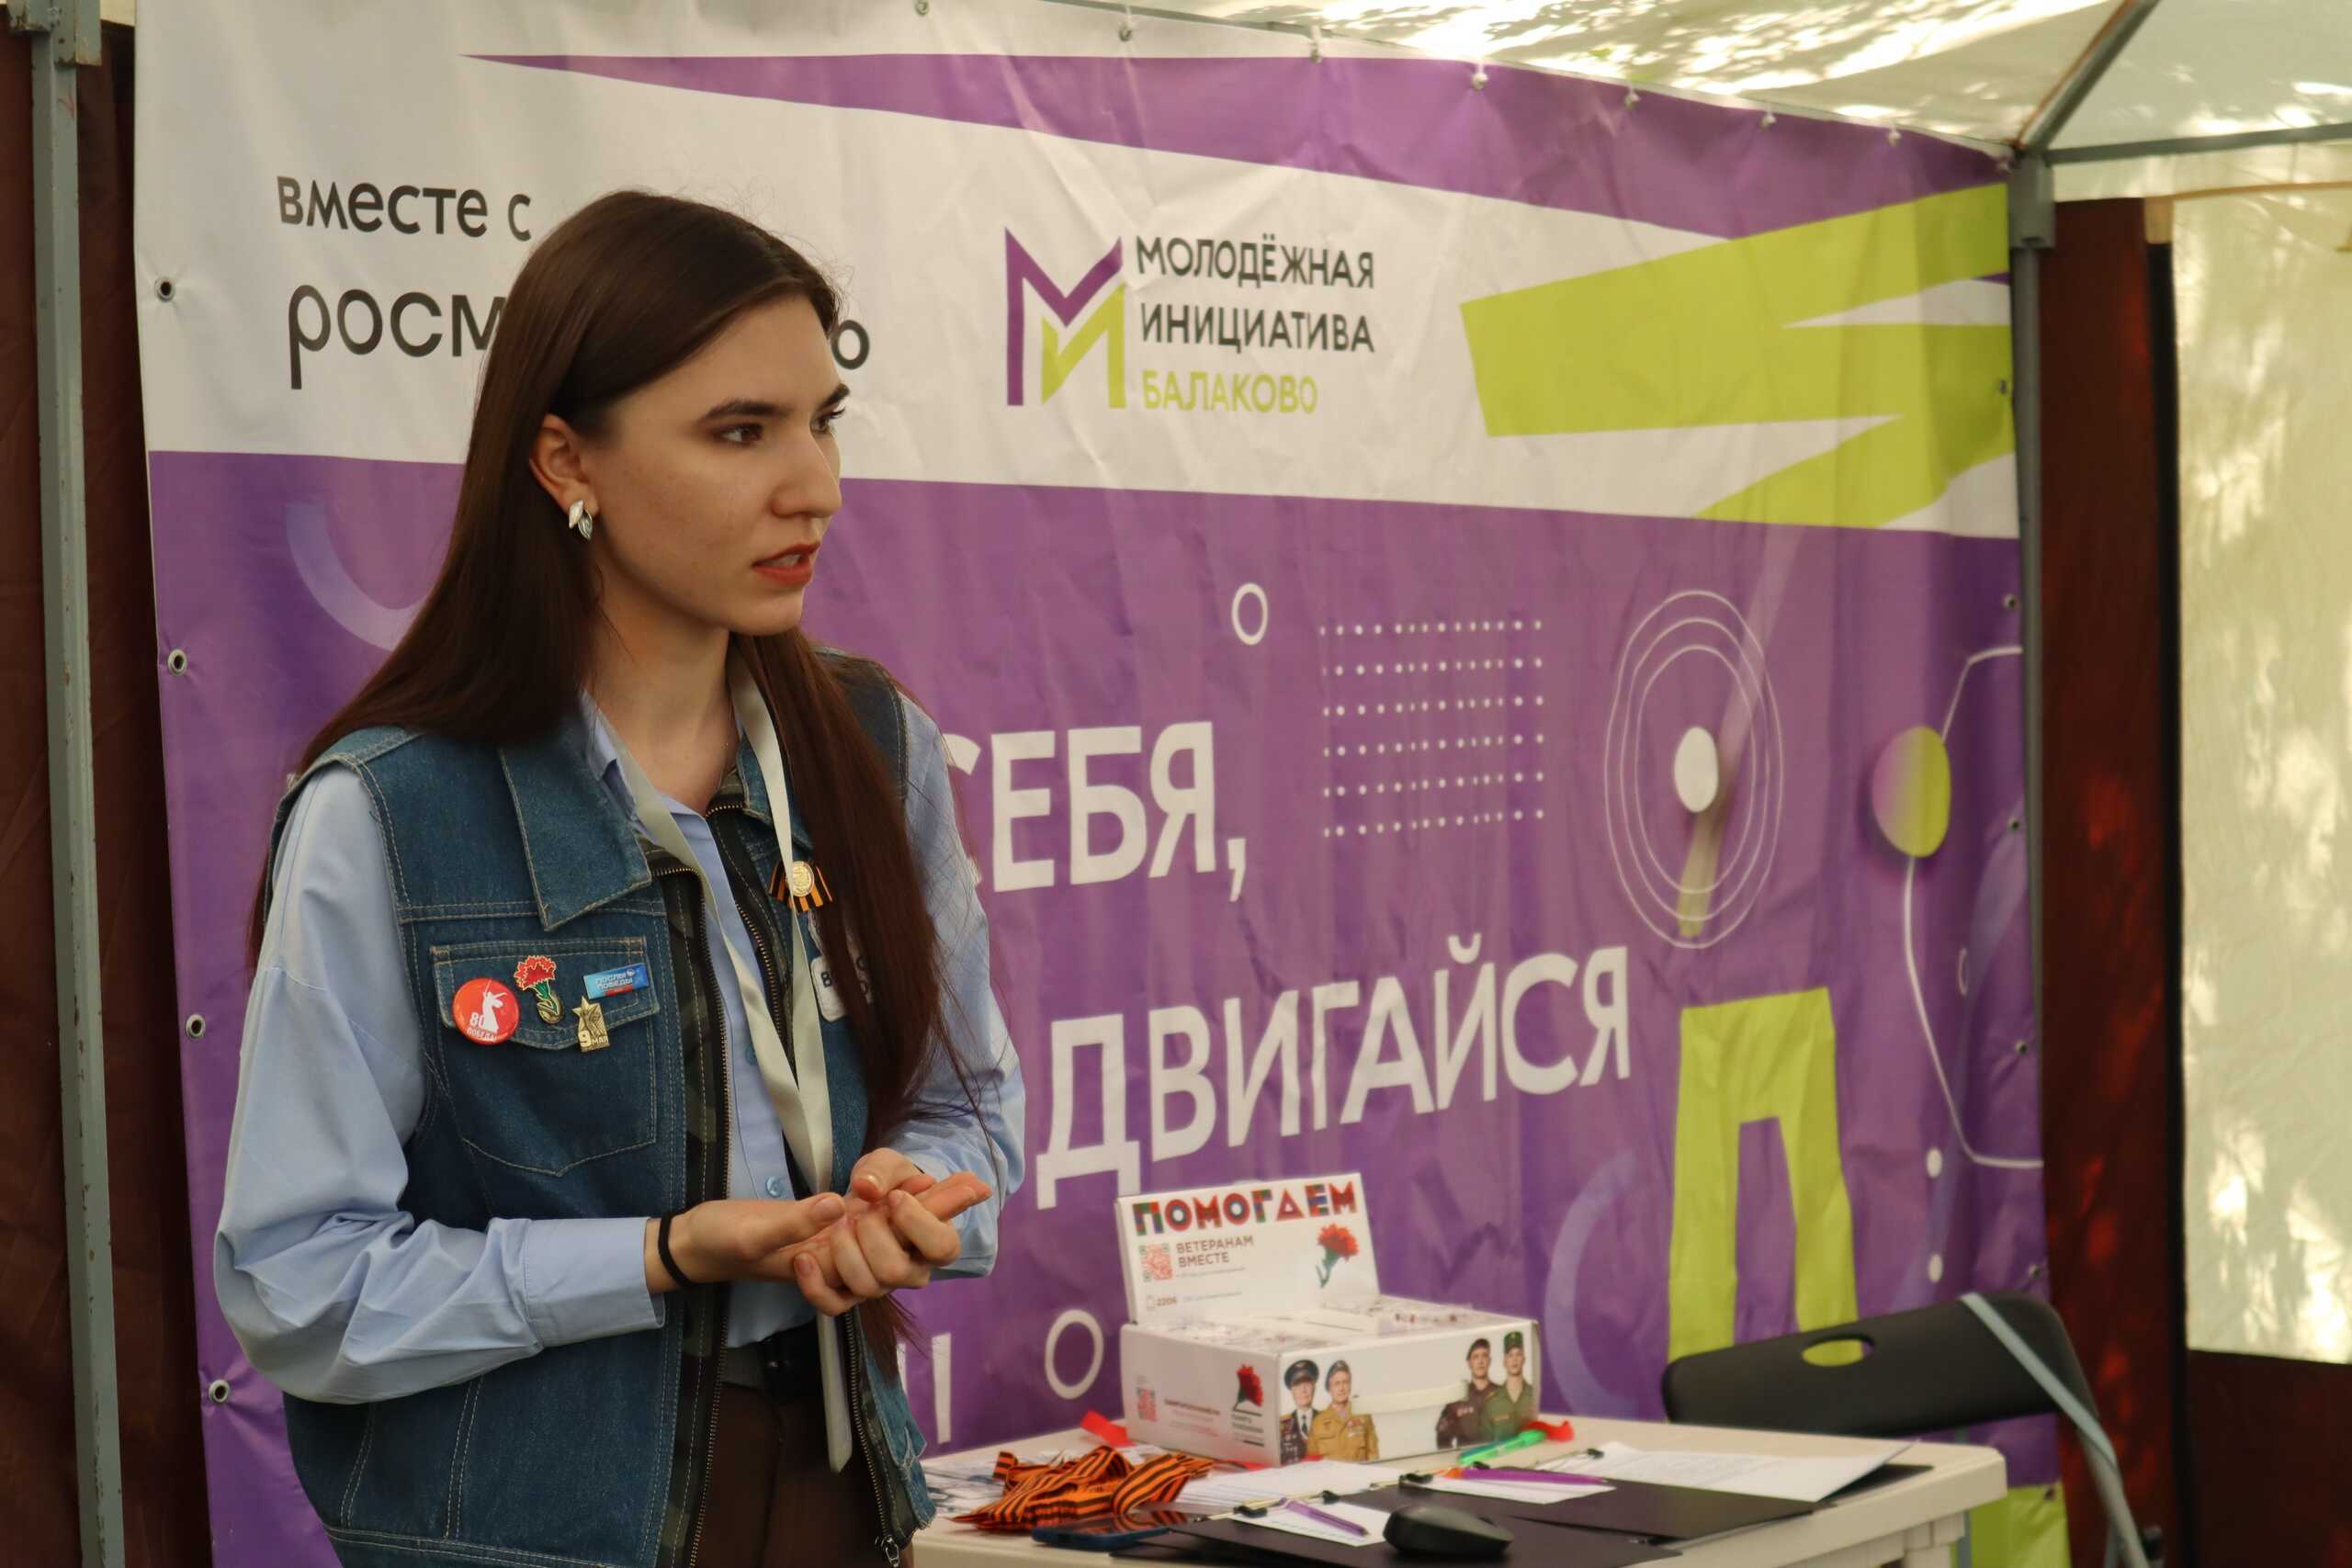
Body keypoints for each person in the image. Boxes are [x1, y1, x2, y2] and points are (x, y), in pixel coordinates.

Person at [212, 191, 1026, 1568]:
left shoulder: (874, 747)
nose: (815, 487)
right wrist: (660, 1252)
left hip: (837, 1495)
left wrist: (910, 1196)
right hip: (534, 1532)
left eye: (822, 420)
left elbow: (969, 1110)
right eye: (740, 431)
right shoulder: (392, 812)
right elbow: (300, 1282)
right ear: (563, 459)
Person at [1307, 1360, 1380, 1461]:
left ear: (1350, 1385)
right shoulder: (1317, 1423)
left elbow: (1373, 1456)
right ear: (1329, 1388)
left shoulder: (1363, 1416)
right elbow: (1312, 1463)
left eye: (1345, 1382)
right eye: (1337, 1384)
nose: (1341, 1388)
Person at [1435, 1337, 1496, 1448]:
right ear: (1469, 1363)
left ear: (1489, 1361)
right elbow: (1442, 1439)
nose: (1480, 1361)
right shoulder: (1458, 1399)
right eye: (1476, 1357)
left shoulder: (1502, 1394)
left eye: (1484, 1356)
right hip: (1467, 1457)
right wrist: (1455, 1457)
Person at [1482, 1331, 1538, 1441]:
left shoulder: (1536, 1396)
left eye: (1518, 1354)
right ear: (1504, 1361)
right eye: (1510, 1355)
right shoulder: (1492, 1403)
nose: (1514, 1359)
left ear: (1524, 1359)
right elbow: (1485, 1444)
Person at [1279, 1359, 1319, 1463]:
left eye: (1307, 1383)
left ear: (1314, 1387)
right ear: (1292, 1391)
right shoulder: (1282, 1425)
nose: (1303, 1390)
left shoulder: (1325, 1419)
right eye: (1298, 1385)